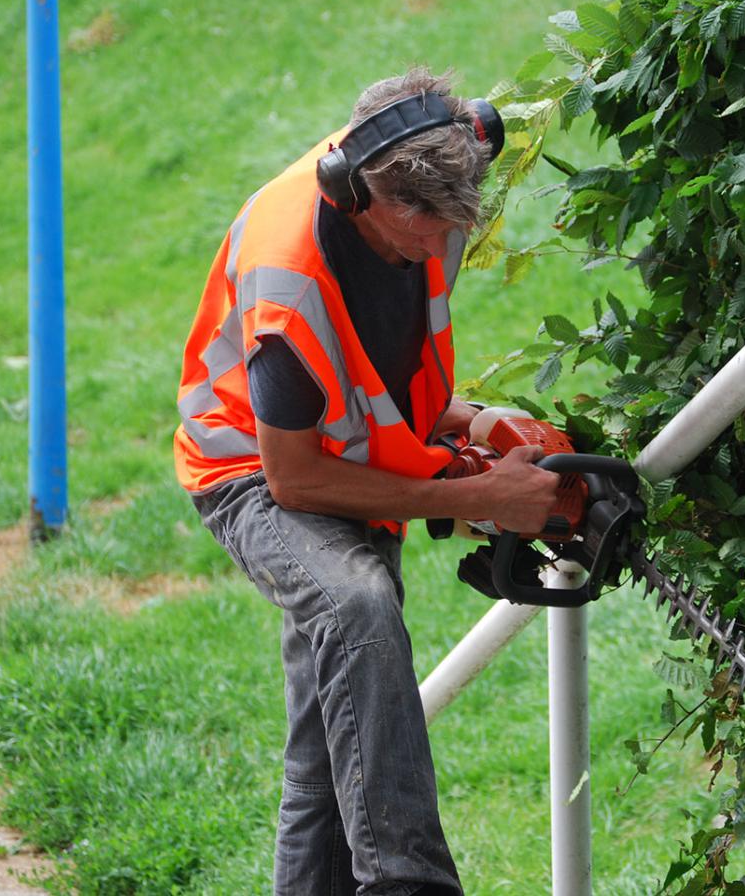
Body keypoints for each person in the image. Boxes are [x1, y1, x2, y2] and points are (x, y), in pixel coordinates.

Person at [173, 67, 560, 896]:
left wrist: (472, 422)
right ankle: (408, 883)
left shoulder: (442, 171)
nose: (433, 246)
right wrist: (481, 498)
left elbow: (377, 362)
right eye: (415, 225)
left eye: (449, 223)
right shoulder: (290, 286)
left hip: (348, 447)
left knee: (327, 744)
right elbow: (297, 478)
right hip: (253, 465)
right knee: (356, 607)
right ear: (356, 190)